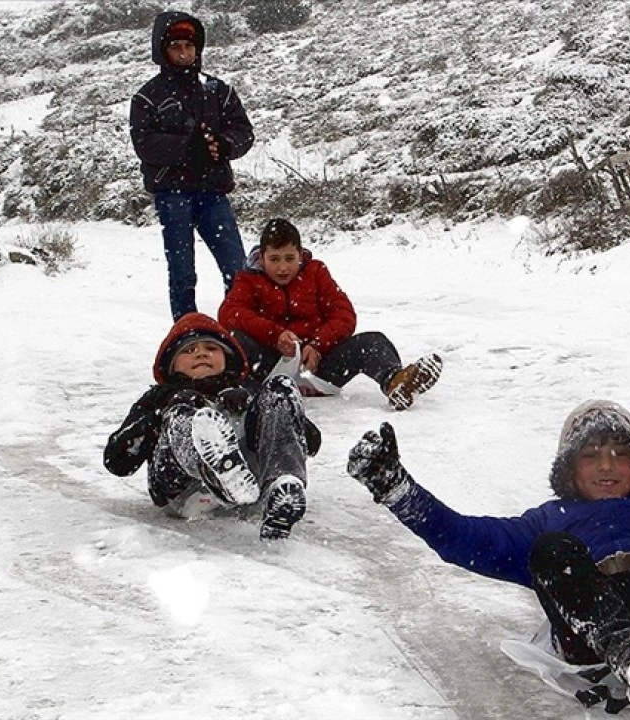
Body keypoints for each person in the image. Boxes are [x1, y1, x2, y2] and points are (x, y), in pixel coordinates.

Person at [346, 400, 630, 720]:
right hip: (596, 616)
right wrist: (397, 489)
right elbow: (463, 537)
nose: (606, 466)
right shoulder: (549, 518)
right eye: (590, 455)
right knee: (551, 550)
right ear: (568, 469)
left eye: (620, 453)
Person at [103, 312, 320, 540]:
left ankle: (281, 486)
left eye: (211, 348)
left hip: (250, 491)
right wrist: (160, 415)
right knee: (182, 416)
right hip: (182, 493)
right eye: (189, 350)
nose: (201, 354)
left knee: (281, 386)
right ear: (171, 364)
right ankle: (215, 468)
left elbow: (311, 441)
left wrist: (253, 408)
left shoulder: (247, 389)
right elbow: (117, 462)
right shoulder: (159, 397)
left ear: (227, 358)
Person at [218, 218, 443, 410]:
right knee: (236, 340)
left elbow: (344, 314)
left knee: (373, 341)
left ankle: (395, 382)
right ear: (261, 257)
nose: (283, 268)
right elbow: (229, 314)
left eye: (289, 258)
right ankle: (243, 396)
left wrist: (318, 345)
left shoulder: (316, 272)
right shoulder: (248, 279)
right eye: (274, 260)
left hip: (320, 370)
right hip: (268, 370)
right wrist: (275, 335)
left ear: (300, 254)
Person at [129, 11, 255, 321]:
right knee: (183, 275)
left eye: (189, 46)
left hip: (213, 191)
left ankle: (239, 335)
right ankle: (187, 338)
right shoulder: (147, 97)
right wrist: (188, 147)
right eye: (176, 47)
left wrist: (224, 146)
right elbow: (144, 144)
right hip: (173, 195)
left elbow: (243, 131)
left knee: (237, 272)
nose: (184, 53)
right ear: (163, 51)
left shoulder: (218, 90)